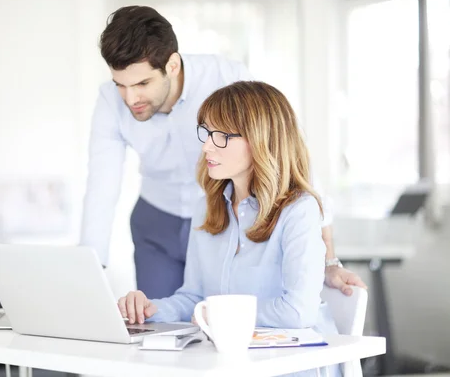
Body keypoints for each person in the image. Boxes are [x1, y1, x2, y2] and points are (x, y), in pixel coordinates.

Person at [80, 5, 366, 299]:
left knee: (222, 320)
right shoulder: (109, 102)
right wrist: (87, 274)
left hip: (222, 216)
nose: (130, 98)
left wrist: (329, 262)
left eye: (142, 83)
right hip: (157, 221)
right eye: (121, 85)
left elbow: (288, 153)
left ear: (172, 66)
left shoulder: (225, 77)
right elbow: (101, 187)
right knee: (158, 326)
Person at [117, 81, 340, 377]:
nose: (208, 145)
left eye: (221, 136)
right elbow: (195, 298)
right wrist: (147, 310)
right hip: (231, 365)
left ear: (261, 140)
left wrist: (221, 316)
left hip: (292, 367)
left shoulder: (299, 210)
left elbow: (299, 311)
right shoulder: (207, 208)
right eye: (207, 133)